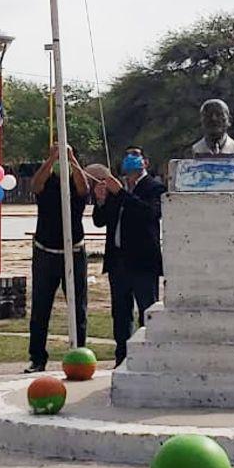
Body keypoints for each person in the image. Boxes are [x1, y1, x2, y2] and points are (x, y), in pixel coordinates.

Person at [92, 145, 165, 367]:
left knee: (147, 310)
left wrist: (121, 194)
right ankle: (122, 356)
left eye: (136, 156)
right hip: (118, 262)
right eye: (127, 156)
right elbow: (100, 220)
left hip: (143, 262)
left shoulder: (155, 188)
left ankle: (148, 356)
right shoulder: (117, 187)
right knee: (121, 314)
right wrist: (101, 200)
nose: (130, 160)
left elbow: (150, 213)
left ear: (146, 162)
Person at [25, 143, 89, 373]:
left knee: (78, 308)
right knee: (41, 309)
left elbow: (84, 189)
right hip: (45, 252)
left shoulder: (75, 183)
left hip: (74, 253)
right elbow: (35, 184)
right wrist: (51, 158)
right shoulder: (48, 182)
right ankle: (37, 358)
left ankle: (79, 354)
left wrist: (72, 159)